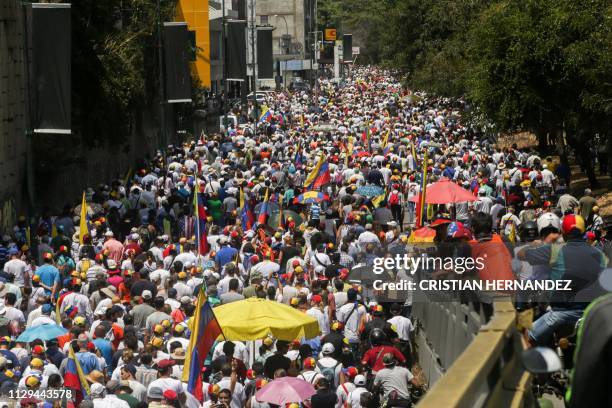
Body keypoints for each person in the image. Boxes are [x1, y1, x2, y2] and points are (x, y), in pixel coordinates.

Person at [519, 214, 607, 345]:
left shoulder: (554, 250)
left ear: (563, 233)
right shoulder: (599, 253)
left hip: (562, 312)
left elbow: (521, 255)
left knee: (527, 338)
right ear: (584, 232)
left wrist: (538, 243)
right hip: (593, 313)